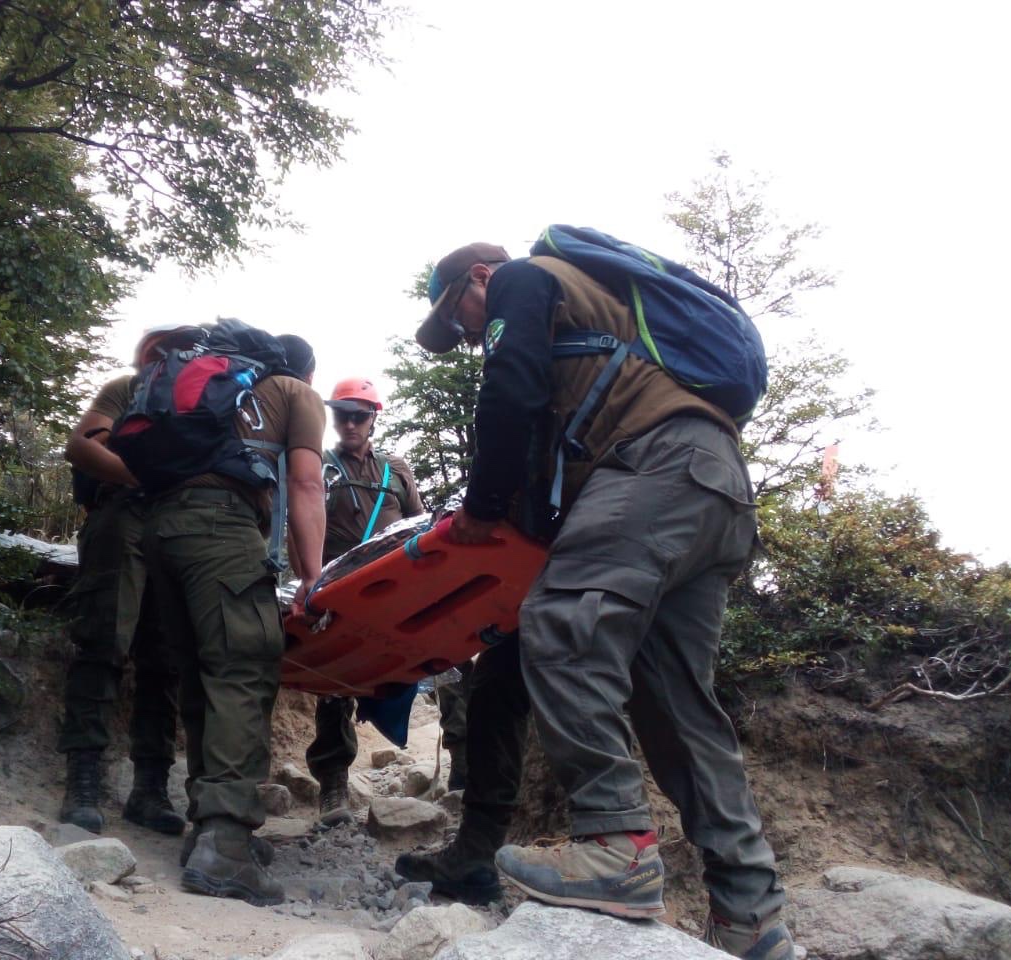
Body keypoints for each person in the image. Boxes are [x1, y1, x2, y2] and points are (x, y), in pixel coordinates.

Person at [396, 243, 794, 960]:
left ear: (479, 279)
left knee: (559, 623)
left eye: (458, 316)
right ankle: (751, 916)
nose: (463, 337)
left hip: (654, 465)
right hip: (715, 485)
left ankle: (617, 845)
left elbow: (509, 388)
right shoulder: (597, 329)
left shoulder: (524, 277)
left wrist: (481, 508)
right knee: (677, 705)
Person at [143, 324, 326, 907]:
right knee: (242, 670)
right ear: (308, 374)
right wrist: (311, 573)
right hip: (223, 531)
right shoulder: (296, 394)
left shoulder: (223, 390)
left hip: (163, 530)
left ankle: (207, 828)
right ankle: (225, 846)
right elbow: (305, 481)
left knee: (202, 672)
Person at [57, 324, 197, 837]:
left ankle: (150, 789)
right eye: (161, 351)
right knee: (103, 641)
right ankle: (84, 780)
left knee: (164, 659)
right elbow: (81, 447)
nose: (169, 359)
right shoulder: (126, 388)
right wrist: (145, 477)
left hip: (176, 528)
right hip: (123, 516)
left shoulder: (201, 403)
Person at [303, 377, 454, 825]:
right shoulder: (318, 466)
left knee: (440, 665)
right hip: (336, 590)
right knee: (333, 684)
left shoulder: (396, 470)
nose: (349, 423)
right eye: (342, 414)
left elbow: (420, 527)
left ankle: (462, 772)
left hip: (394, 591)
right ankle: (332, 785)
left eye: (358, 415)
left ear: (373, 418)